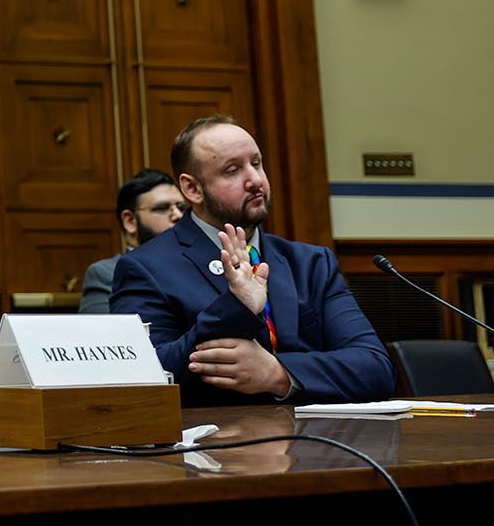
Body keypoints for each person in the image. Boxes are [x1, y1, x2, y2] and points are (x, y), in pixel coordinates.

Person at [109, 115, 394, 405]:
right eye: (232, 170)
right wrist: (234, 308)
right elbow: (145, 376)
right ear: (193, 189)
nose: (256, 180)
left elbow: (374, 368)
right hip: (216, 443)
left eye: (256, 164)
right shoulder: (147, 267)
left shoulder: (311, 263)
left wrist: (278, 374)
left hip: (318, 442)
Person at [79, 170, 185, 314]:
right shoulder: (106, 274)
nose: (178, 216)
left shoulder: (198, 263)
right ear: (130, 221)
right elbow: (100, 334)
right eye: (162, 208)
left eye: (181, 208)